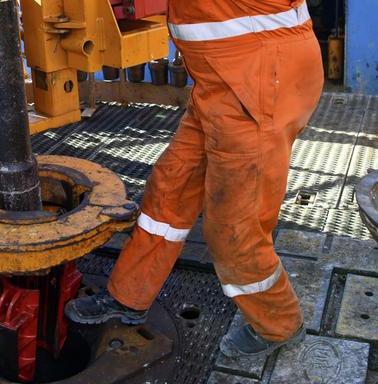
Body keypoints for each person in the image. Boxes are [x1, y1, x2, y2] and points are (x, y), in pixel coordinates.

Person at [65, 0, 324, 358]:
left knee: (235, 227)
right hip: (221, 81)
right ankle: (129, 296)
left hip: (258, 82)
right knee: (171, 187)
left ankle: (279, 325)